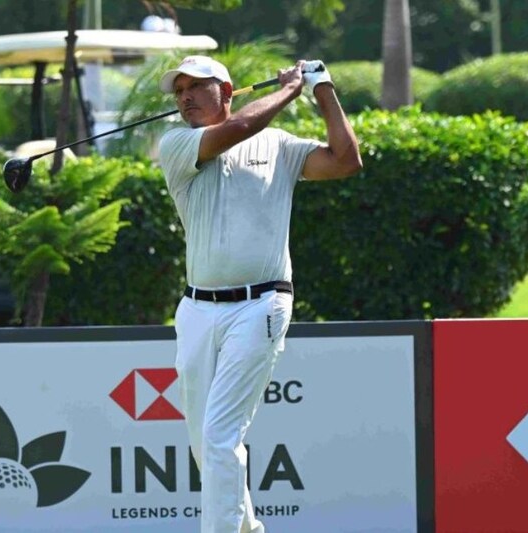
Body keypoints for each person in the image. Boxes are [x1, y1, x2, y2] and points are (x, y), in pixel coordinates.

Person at [156, 55, 361, 533]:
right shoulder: (177, 144)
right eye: (179, 90)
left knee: (220, 434)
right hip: (197, 310)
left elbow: (346, 160)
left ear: (226, 91)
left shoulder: (281, 147)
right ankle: (248, 528)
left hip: (261, 304)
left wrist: (321, 88)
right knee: (203, 442)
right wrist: (290, 91)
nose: (184, 97)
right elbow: (239, 128)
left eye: (196, 87)